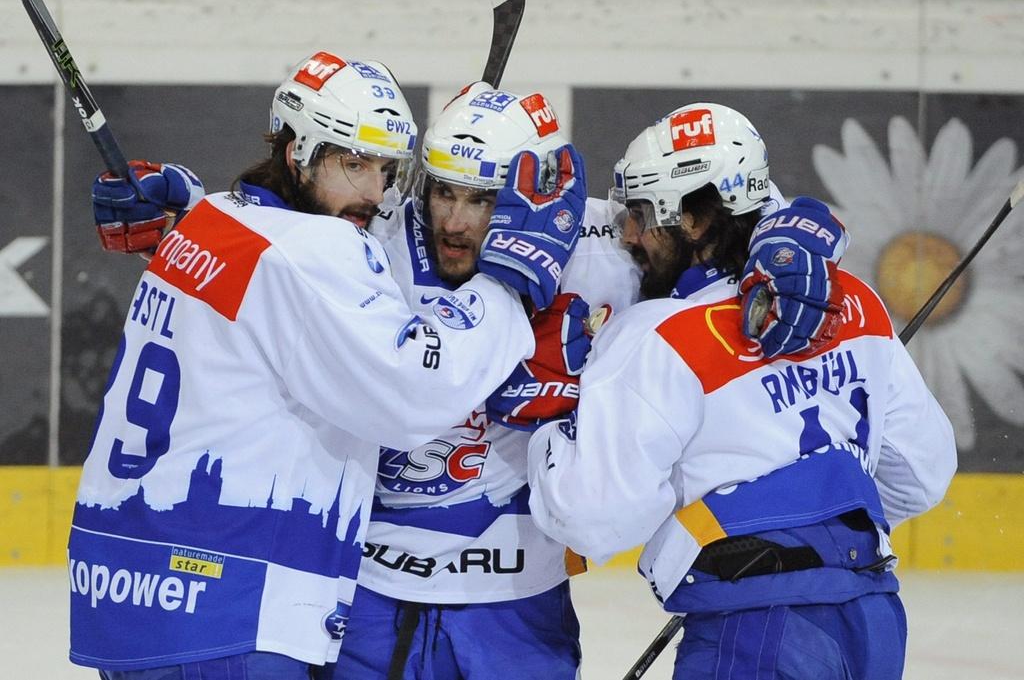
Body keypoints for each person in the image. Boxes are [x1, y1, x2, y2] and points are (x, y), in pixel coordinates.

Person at [87, 82, 842, 678]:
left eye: (482, 200)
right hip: (366, 600)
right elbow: (275, 230)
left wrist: (796, 232)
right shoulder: (368, 232)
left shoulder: (596, 242)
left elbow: (732, 207)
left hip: (513, 607)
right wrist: (190, 206)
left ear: (531, 199)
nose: (453, 219)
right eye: (443, 189)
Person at [69, 51, 587, 679]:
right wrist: (510, 284)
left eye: (386, 168)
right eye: (353, 163)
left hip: (130, 587)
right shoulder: (318, 248)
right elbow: (414, 391)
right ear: (298, 152)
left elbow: (267, 272)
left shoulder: (208, 226)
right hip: (226, 597)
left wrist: (190, 204)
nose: (374, 192)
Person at [516, 102, 957, 679]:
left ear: (695, 220)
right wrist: (812, 545)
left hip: (753, 633)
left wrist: (549, 421)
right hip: (871, 617)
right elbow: (923, 473)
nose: (629, 235)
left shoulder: (657, 336)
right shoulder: (852, 301)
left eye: (643, 214)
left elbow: (592, 517)